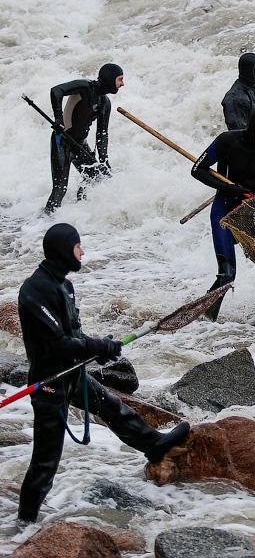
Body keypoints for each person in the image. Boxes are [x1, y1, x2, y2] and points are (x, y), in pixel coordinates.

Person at [16, 223, 190, 523]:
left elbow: (75, 333)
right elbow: (57, 344)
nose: (82, 252)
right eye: (77, 246)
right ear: (62, 250)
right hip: (50, 384)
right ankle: (23, 523)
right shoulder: (34, 291)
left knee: (113, 409)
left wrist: (98, 346)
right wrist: (99, 346)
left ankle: (155, 445)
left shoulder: (64, 286)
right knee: (46, 462)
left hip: (72, 376)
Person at [192, 108, 255, 313]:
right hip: (224, 211)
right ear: (252, 131)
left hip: (248, 211)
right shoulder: (228, 141)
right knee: (227, 275)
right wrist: (230, 188)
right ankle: (206, 323)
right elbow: (198, 169)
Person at [44, 63, 124, 214]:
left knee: (95, 176)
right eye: (120, 79)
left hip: (79, 145)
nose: (122, 84)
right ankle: (44, 222)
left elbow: (102, 134)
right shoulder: (85, 86)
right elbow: (56, 91)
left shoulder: (105, 103)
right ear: (109, 78)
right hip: (62, 141)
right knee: (60, 187)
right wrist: (58, 119)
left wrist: (104, 160)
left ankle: (80, 212)